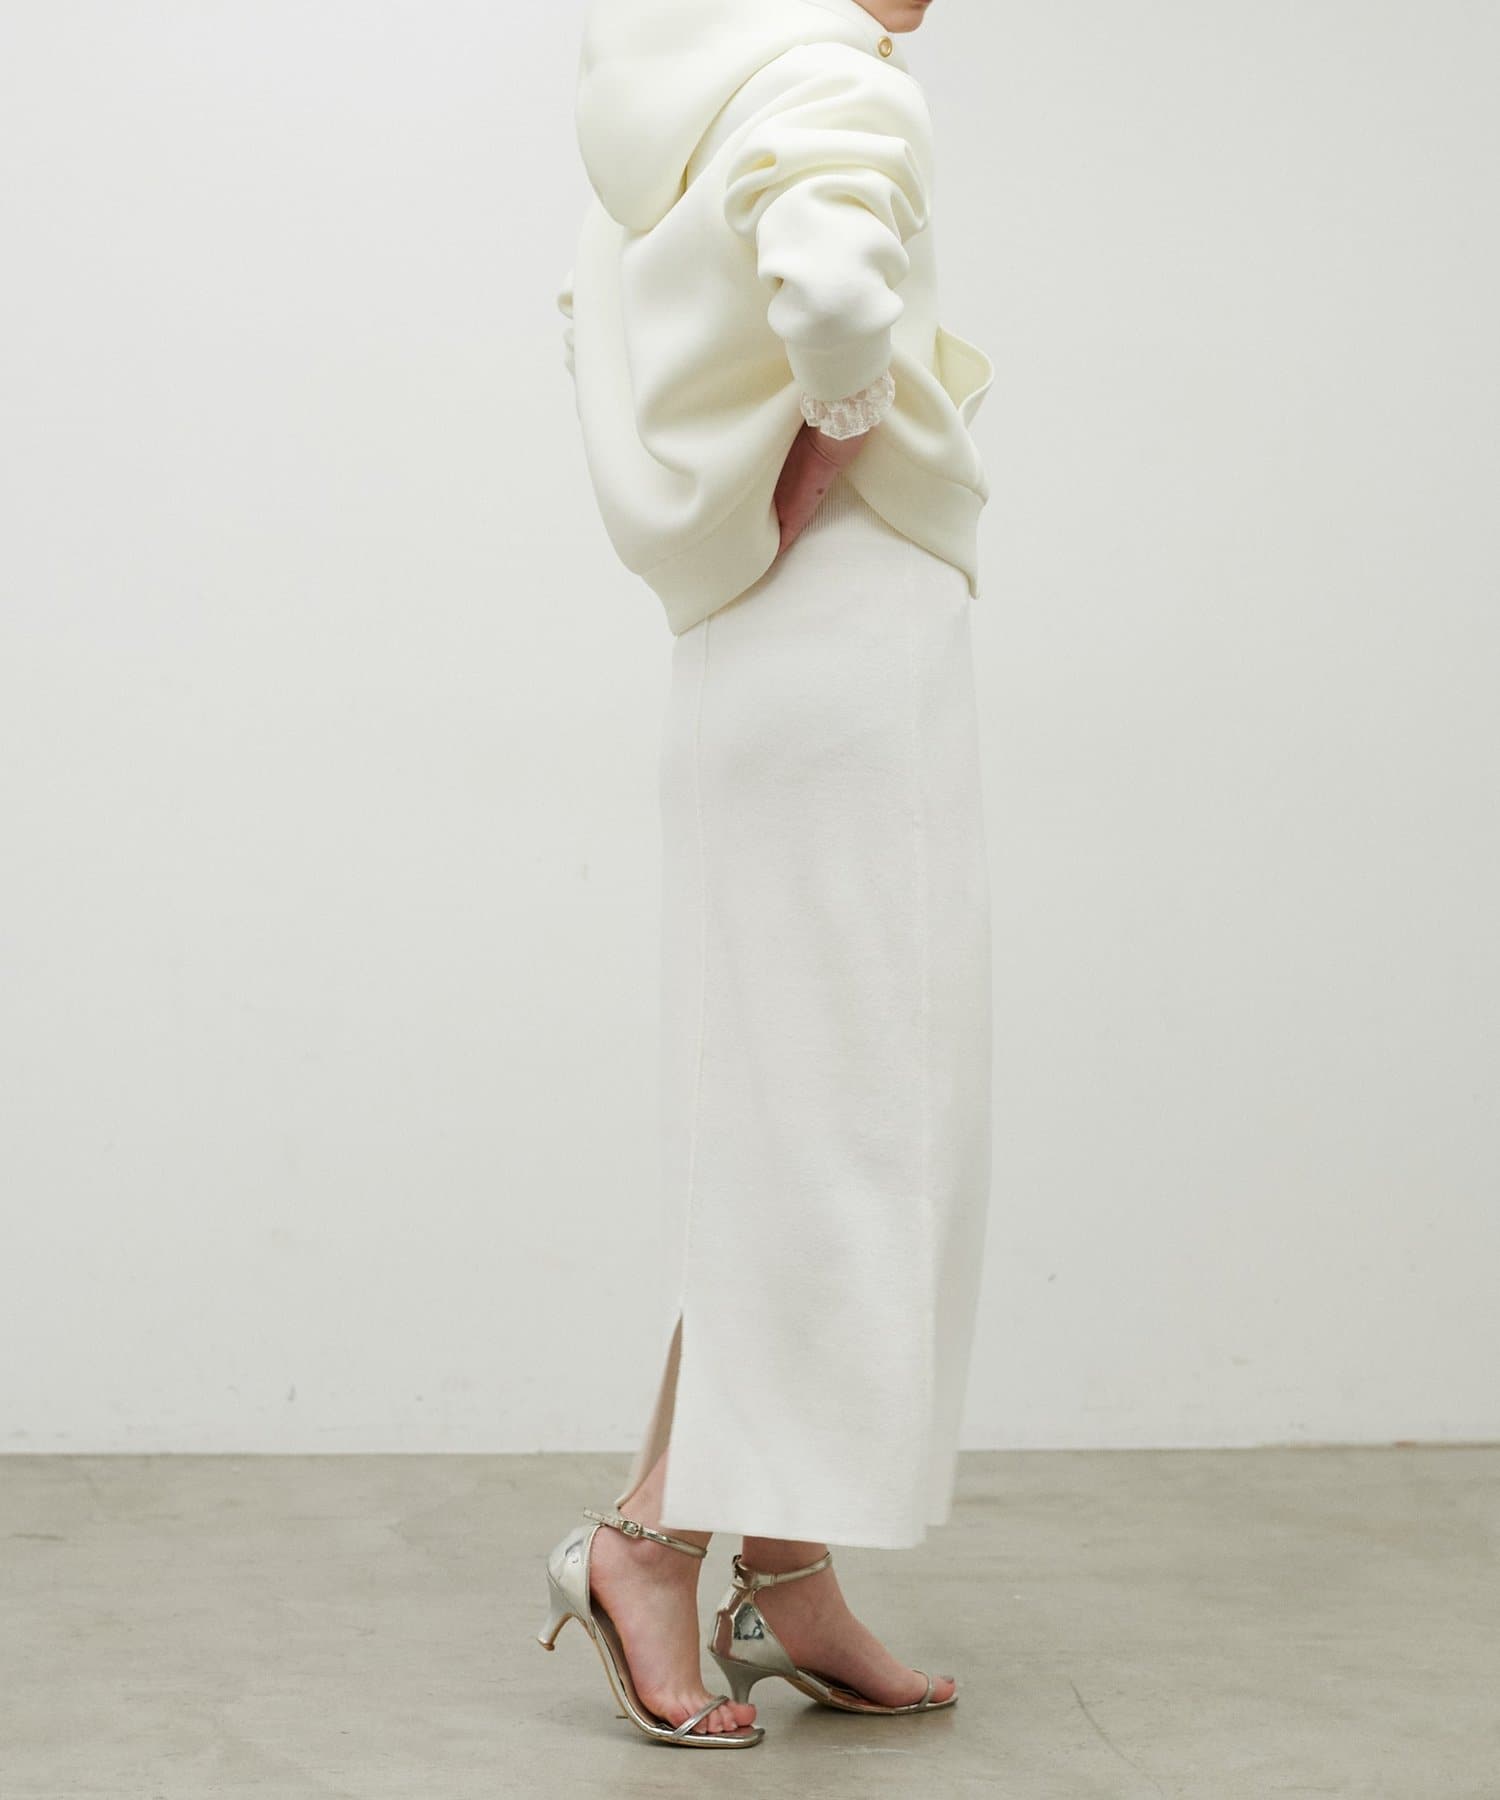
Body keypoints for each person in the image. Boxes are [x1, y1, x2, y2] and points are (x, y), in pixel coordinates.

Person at [542, 0, 996, 1748]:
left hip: (754, 646)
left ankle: (785, 1566)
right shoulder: (824, 77)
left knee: (807, 1106)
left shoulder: (666, 104)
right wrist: (843, 412)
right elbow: (831, 292)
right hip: (851, 643)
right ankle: (649, 1542)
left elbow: (621, 339)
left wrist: (741, 494)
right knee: (844, 1112)